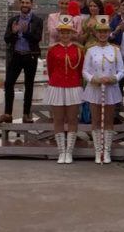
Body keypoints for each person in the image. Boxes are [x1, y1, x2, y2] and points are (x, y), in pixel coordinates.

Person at [82, 16, 124, 164]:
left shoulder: (115, 50)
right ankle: (97, 150)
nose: (103, 34)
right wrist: (94, 79)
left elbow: (121, 71)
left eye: (105, 31)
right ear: (96, 33)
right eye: (100, 32)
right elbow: (85, 71)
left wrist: (112, 79)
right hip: (95, 88)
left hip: (110, 89)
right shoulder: (90, 50)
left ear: (109, 33)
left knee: (108, 121)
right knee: (95, 120)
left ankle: (106, 151)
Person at [0, 0, 44, 124]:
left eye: (27, 3)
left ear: (31, 4)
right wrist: (14, 32)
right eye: (22, 2)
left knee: (29, 85)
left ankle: (26, 114)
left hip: (30, 55)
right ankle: (7, 114)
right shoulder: (13, 20)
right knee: (9, 83)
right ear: (19, 4)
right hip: (16, 55)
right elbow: (7, 39)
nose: (25, 5)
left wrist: (25, 31)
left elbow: (37, 38)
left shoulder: (37, 20)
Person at [44, 15, 83, 164]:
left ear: (72, 33)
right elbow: (50, 68)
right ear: (59, 33)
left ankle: (69, 151)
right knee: (58, 119)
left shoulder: (78, 50)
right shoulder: (52, 50)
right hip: (57, 85)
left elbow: (80, 70)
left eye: (68, 32)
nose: (65, 35)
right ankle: (61, 151)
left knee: (72, 119)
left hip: (73, 86)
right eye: (62, 32)